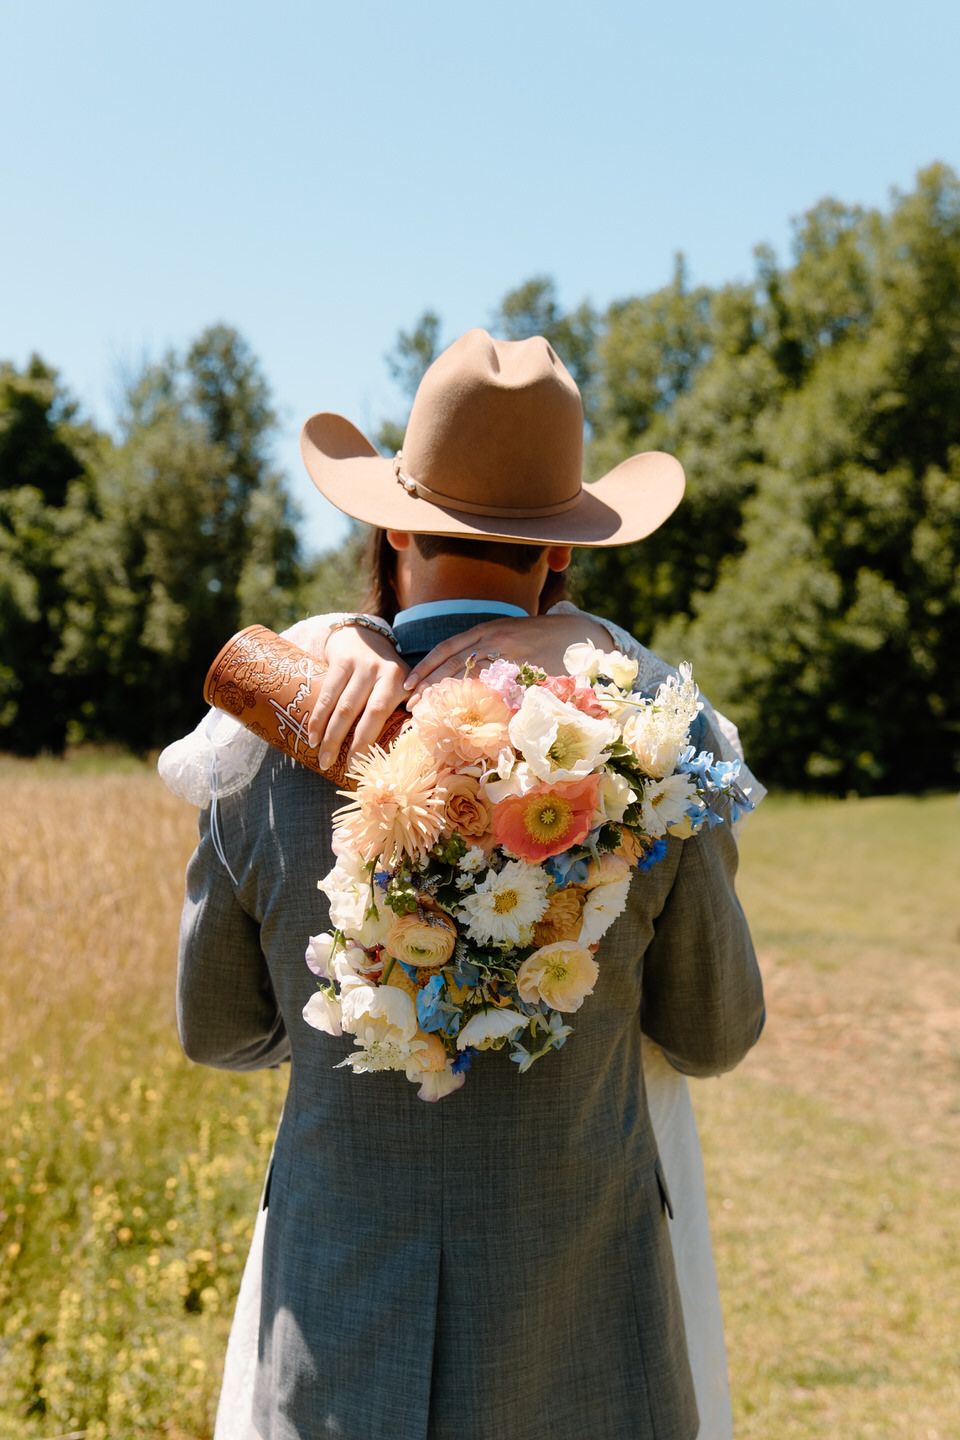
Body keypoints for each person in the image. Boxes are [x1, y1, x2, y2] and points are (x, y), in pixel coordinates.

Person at [163, 329, 764, 1440]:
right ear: (562, 556)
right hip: (587, 1340)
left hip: (336, 1336)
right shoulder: (647, 756)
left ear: (393, 525)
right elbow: (715, 1032)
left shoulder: (254, 756)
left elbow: (219, 1031)